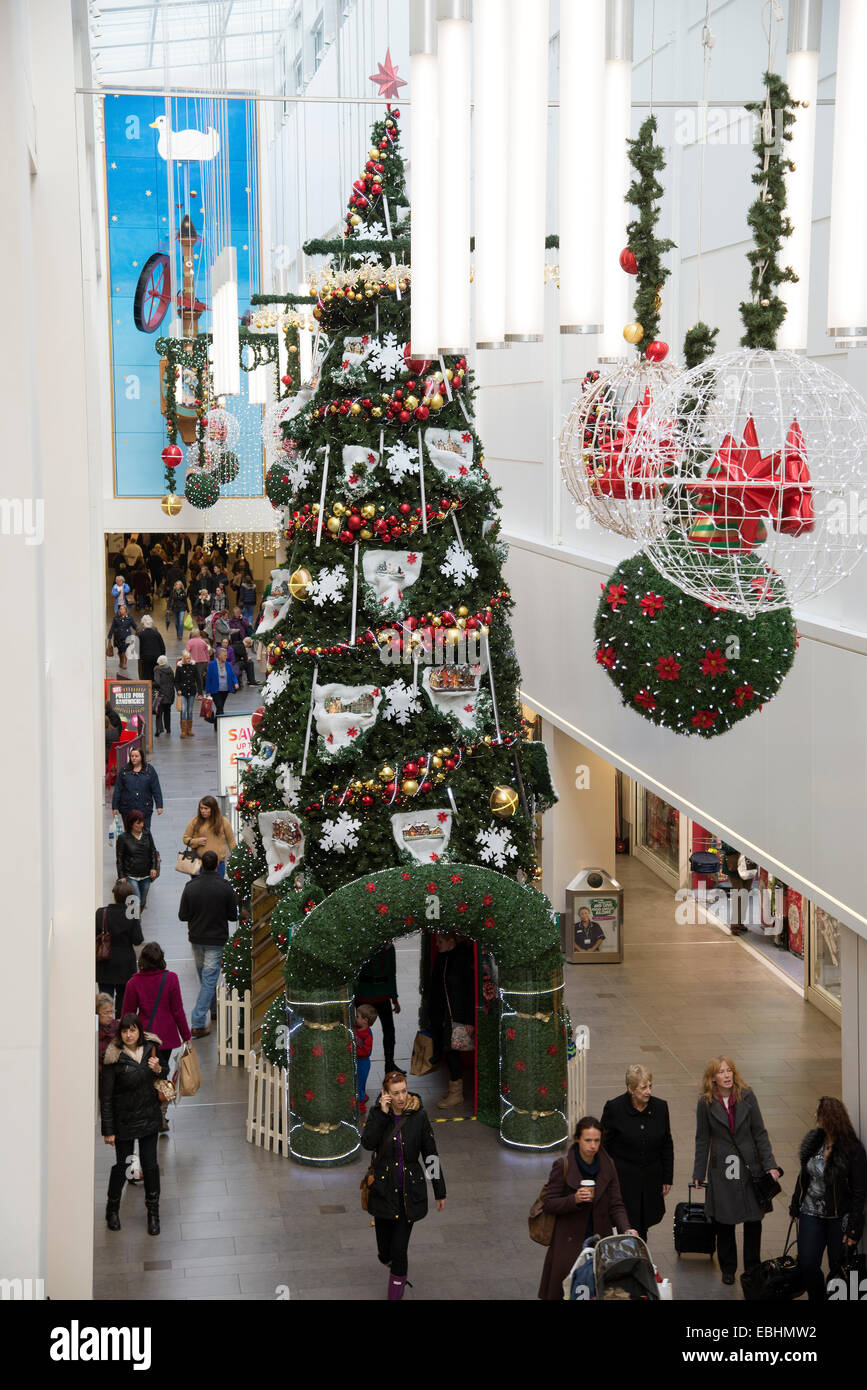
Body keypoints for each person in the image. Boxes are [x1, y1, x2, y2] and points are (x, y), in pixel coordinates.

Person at [692, 1056, 781, 1285]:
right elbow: (702, 1139)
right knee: (725, 1219)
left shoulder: (747, 1096)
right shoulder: (706, 1103)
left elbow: (760, 1132)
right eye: (721, 1072)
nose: (727, 1075)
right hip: (722, 1167)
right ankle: (728, 1268)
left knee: (753, 1219)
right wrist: (698, 1172)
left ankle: (752, 1266)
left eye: (729, 1070)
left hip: (750, 1165)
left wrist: (769, 1164)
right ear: (713, 1078)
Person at [361, 1070, 446, 1300]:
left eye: (404, 1091)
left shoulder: (419, 1116)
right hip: (383, 1192)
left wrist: (440, 1190)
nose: (401, 1097)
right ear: (386, 1094)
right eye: (395, 1093)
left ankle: (395, 1291)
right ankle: (394, 1266)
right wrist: (382, 1113)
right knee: (384, 1252)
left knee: (399, 1251)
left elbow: (430, 1154)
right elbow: (368, 1143)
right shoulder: (378, 1114)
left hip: (409, 1194)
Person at [537, 1115, 636, 1300]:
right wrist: (573, 1200)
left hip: (599, 1240)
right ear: (578, 1139)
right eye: (588, 1140)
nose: (593, 1146)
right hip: (568, 1242)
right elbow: (549, 1203)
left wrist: (626, 1229)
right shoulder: (563, 1165)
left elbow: (616, 1204)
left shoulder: (608, 1165)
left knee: (596, 1290)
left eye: (597, 1140)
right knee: (566, 1290)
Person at [790, 1096, 867, 1302]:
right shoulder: (814, 1141)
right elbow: (803, 1176)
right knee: (807, 1263)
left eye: (818, 1112)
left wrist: (853, 1228)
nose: (815, 1115)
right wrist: (795, 1203)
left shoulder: (853, 1150)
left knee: (837, 1267)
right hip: (810, 1214)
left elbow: (860, 1193)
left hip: (838, 1218)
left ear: (829, 1118)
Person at [100, 1013, 166, 1234]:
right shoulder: (112, 1057)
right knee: (125, 1165)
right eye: (125, 1031)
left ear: (139, 1031)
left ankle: (153, 1214)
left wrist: (159, 1068)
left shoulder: (150, 1048)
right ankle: (112, 1209)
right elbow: (106, 1097)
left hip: (148, 1117)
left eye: (133, 1030)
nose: (129, 1035)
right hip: (124, 1122)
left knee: (150, 1166)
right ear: (120, 1034)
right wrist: (108, 1130)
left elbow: (163, 1073)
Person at [122, 941, 191, 1135]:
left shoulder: (133, 983)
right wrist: (186, 1035)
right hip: (166, 1037)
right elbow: (177, 1010)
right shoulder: (171, 979)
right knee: (161, 1073)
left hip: (143, 1038)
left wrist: (124, 1039)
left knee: (145, 1075)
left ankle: (149, 1112)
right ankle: (160, 1112)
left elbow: (128, 1014)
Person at [601, 1065, 674, 1241]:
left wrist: (667, 1177)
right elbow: (604, 1146)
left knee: (643, 1223)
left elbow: (666, 1144)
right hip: (624, 1180)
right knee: (628, 1223)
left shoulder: (661, 1107)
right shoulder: (615, 1108)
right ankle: (630, 1257)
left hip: (650, 1179)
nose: (648, 1091)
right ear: (631, 1089)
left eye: (650, 1086)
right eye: (643, 1087)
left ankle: (637, 1257)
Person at [178, 850, 239, 1038]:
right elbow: (232, 916)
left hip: (196, 938)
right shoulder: (225, 887)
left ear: (202, 865)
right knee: (209, 979)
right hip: (216, 939)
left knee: (205, 979)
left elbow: (183, 915)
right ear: (217, 865)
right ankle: (197, 1020)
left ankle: (212, 1008)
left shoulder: (190, 886)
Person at [426, 931, 474, 1109]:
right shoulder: (442, 958)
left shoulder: (461, 959)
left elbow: (470, 991)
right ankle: (454, 1088)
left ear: (451, 942)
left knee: (453, 1052)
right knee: (448, 1051)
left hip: (457, 1015)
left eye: (440, 941)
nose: (437, 944)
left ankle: (456, 1094)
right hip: (443, 1015)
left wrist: (469, 1019)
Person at [95, 879, 144, 1014]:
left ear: (114, 896)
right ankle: (121, 1029)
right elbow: (138, 940)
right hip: (125, 964)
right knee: (124, 1003)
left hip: (105, 962)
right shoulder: (131, 914)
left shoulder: (101, 913)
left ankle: (106, 1030)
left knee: (105, 1003)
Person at [356, 942, 400, 1077]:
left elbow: (392, 973)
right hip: (364, 994)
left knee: (389, 1031)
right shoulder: (363, 945)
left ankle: (389, 1064)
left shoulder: (389, 948)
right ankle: (355, 1063)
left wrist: (394, 998)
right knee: (358, 1031)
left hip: (382, 995)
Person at [112, 744, 164, 830]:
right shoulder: (124, 770)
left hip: (144, 808)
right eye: (132, 756)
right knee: (129, 834)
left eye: (136, 756)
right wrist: (115, 807)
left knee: (145, 833)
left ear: (141, 757)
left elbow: (156, 788)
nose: (134, 758)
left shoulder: (149, 770)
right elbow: (118, 789)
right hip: (127, 809)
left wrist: (159, 805)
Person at [115, 809, 159, 912]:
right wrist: (121, 876)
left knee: (142, 901)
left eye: (142, 822)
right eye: (138, 823)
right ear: (131, 824)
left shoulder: (147, 834)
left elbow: (153, 851)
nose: (141, 825)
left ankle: (135, 918)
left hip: (146, 875)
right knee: (136, 900)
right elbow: (119, 858)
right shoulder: (123, 838)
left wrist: (153, 868)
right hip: (130, 875)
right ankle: (134, 922)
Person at [182, 795, 236, 876]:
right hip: (199, 864)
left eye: (206, 808)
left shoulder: (224, 822)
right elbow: (185, 839)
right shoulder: (195, 821)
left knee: (217, 888)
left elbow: (231, 842)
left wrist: (235, 858)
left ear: (213, 809)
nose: (203, 811)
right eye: (201, 808)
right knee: (199, 888)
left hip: (218, 865)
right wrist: (196, 841)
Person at [205, 644, 239, 719]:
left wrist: (236, 683)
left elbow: (233, 675)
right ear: (219, 656)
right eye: (224, 655)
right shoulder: (212, 664)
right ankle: (220, 724)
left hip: (225, 690)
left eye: (226, 655)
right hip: (215, 690)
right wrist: (208, 691)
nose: (226, 657)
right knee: (220, 707)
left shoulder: (228, 665)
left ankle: (217, 725)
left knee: (220, 707)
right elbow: (208, 679)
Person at [355, 1004, 377, 1116]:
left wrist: (354, 1049)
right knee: (356, 1081)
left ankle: (361, 1105)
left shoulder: (367, 1035)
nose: (355, 1018)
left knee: (360, 1082)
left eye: (357, 1016)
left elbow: (366, 1052)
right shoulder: (356, 1028)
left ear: (365, 1021)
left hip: (362, 1063)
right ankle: (362, 1095)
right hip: (356, 1061)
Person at [175, 649, 201, 738]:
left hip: (192, 691)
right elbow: (176, 681)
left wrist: (200, 692)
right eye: (186, 658)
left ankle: (189, 730)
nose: (188, 660)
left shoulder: (194, 667)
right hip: (182, 692)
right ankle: (183, 730)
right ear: (183, 659)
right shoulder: (179, 667)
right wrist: (178, 689)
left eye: (189, 658)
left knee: (190, 711)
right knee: (184, 710)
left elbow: (198, 679)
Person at [137, 614, 165, 686]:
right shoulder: (157, 634)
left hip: (146, 657)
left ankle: (148, 691)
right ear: (151, 624)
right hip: (156, 657)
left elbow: (138, 648)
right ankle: (155, 691)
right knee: (155, 674)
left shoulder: (141, 634)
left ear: (143, 624)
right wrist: (162, 656)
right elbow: (162, 646)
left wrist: (140, 657)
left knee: (147, 675)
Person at [107, 605, 137, 671]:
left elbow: (135, 626)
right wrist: (109, 636)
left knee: (123, 650)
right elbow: (112, 627)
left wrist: (139, 632)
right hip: (118, 637)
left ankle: (124, 662)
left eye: (123, 609)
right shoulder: (116, 618)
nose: (121, 610)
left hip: (126, 637)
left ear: (126, 610)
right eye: (120, 609)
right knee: (120, 651)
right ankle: (121, 661)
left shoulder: (129, 618)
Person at [152, 654, 176, 737]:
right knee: (167, 712)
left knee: (159, 712)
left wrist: (151, 684)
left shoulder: (157, 669)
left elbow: (157, 682)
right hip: (169, 694)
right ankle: (168, 728)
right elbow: (173, 681)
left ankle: (158, 729)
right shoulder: (170, 669)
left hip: (160, 694)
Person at [96, 993, 117, 1073]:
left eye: (112, 1012)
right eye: (106, 1013)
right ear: (97, 1013)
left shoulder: (117, 1027)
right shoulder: (92, 1030)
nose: (111, 1016)